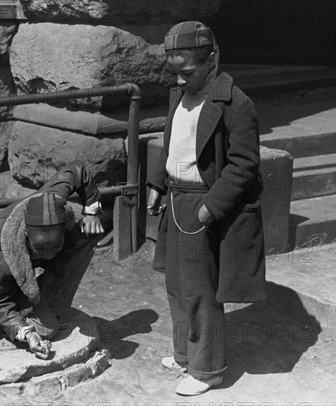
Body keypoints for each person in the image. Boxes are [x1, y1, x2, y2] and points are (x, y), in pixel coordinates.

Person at [146, 21, 266, 396]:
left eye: (187, 72)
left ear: (211, 60)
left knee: (200, 289)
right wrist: (155, 183)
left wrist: (210, 208)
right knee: (176, 285)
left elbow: (244, 164)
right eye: (175, 73)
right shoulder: (181, 95)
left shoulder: (235, 103)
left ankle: (207, 369)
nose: (180, 81)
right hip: (175, 199)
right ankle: (185, 354)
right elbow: (172, 143)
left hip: (202, 203)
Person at [0, 162, 104, 359]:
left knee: (88, 234)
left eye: (55, 246)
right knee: (46, 330)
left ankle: (48, 298)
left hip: (18, 270)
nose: (49, 255)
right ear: (26, 235)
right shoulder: (5, 258)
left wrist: (91, 211)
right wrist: (25, 332)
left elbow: (77, 171)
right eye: (40, 248)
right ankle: (25, 308)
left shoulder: (53, 199)